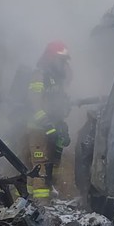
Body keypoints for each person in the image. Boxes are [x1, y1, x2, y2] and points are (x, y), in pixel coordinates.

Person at [25, 41, 72, 201]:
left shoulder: (57, 79)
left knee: (54, 165)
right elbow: (34, 103)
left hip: (52, 127)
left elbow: (60, 103)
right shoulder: (40, 75)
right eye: (61, 60)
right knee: (41, 167)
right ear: (51, 58)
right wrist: (46, 123)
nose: (64, 64)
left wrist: (61, 124)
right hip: (38, 129)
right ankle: (40, 205)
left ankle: (44, 200)